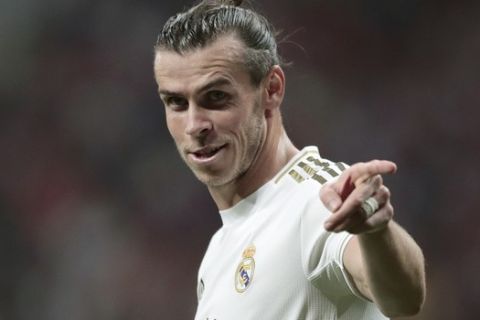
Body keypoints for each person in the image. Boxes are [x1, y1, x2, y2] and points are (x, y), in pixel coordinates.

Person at [153, 0, 426, 319]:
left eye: (216, 97)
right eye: (176, 102)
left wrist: (376, 233)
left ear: (271, 89)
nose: (194, 125)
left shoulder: (318, 199)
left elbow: (404, 298)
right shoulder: (219, 250)